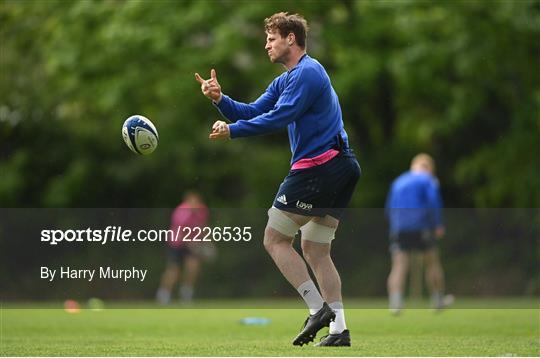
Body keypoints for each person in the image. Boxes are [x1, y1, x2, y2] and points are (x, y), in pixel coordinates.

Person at [195, 12, 360, 347]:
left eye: (272, 38)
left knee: (274, 238)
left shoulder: (308, 72)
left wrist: (232, 131)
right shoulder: (286, 79)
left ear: (290, 39)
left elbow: (280, 117)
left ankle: (317, 309)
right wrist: (219, 100)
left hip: (319, 168)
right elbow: (254, 111)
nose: (266, 44)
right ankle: (339, 329)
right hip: (340, 166)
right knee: (315, 248)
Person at [385, 153, 449, 314]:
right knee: (432, 262)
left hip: (399, 228)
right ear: (428, 168)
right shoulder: (428, 180)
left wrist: (395, 226)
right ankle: (437, 299)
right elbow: (433, 202)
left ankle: (395, 301)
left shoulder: (398, 181)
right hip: (422, 226)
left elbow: (389, 208)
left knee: (399, 265)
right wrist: (437, 224)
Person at [156, 191, 213, 304]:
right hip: (176, 243)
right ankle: (163, 294)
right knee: (174, 270)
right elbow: (181, 233)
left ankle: (186, 293)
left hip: (192, 242)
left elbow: (203, 227)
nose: (194, 205)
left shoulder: (202, 210)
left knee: (193, 267)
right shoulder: (181, 212)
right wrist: (192, 244)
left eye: (196, 202)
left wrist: (208, 242)